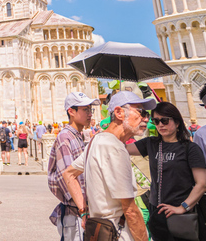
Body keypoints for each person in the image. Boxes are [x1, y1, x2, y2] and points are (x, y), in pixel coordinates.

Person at [62, 91, 154, 241]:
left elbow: (69, 174)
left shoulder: (97, 140)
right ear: (118, 113)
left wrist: (83, 211)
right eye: (141, 112)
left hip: (100, 231)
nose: (146, 118)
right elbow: (130, 210)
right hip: (118, 233)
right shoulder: (115, 147)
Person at [127, 101, 206, 241]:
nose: (160, 125)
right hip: (158, 212)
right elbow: (120, 149)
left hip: (183, 214)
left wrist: (182, 207)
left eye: (165, 121)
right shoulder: (151, 143)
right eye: (156, 121)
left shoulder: (190, 148)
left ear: (177, 122)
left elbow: (201, 184)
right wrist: (126, 123)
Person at [48, 91, 100, 241]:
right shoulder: (65, 137)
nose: (90, 114)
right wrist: (83, 210)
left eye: (91, 109)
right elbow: (67, 177)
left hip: (81, 210)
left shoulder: (79, 135)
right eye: (85, 110)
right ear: (71, 111)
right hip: (76, 213)